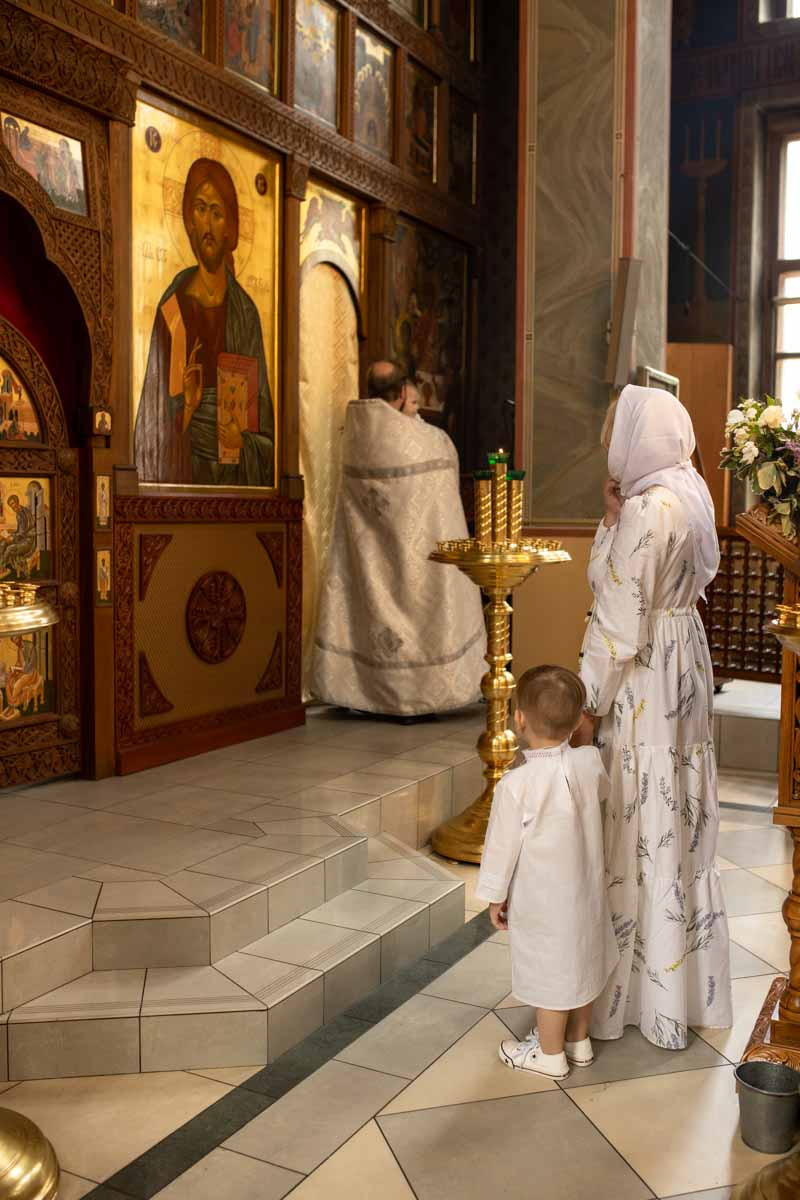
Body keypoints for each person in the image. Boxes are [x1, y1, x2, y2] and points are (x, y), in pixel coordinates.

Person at [576, 383, 732, 1050]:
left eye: (615, 430)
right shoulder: (687, 494)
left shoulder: (647, 509)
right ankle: (678, 995)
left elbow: (616, 616)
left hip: (643, 676)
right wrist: (612, 518)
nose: (608, 442)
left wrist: (585, 703)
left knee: (642, 817)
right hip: (682, 661)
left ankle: (631, 998)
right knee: (675, 816)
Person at [311, 360, 485, 717]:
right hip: (416, 561)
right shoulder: (429, 442)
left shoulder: (356, 433)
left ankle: (365, 693)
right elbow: (445, 468)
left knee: (368, 601)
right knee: (424, 606)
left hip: (369, 557)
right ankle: (419, 695)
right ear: (404, 392)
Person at [476, 665, 619, 1079]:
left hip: (543, 902)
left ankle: (550, 1055)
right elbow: (602, 793)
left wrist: (495, 896)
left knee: (550, 973)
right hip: (587, 893)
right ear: (578, 722)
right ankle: (579, 1041)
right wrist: (584, 742)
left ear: (518, 719)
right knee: (584, 962)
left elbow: (502, 849)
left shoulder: (516, 785)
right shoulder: (590, 764)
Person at [134, 158, 274, 486]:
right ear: (188, 221)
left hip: (236, 482)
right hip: (184, 473)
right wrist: (187, 409)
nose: (208, 225)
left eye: (216, 212)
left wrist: (244, 443)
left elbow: (265, 425)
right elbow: (150, 429)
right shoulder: (172, 308)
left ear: (230, 228)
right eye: (199, 209)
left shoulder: (246, 314)